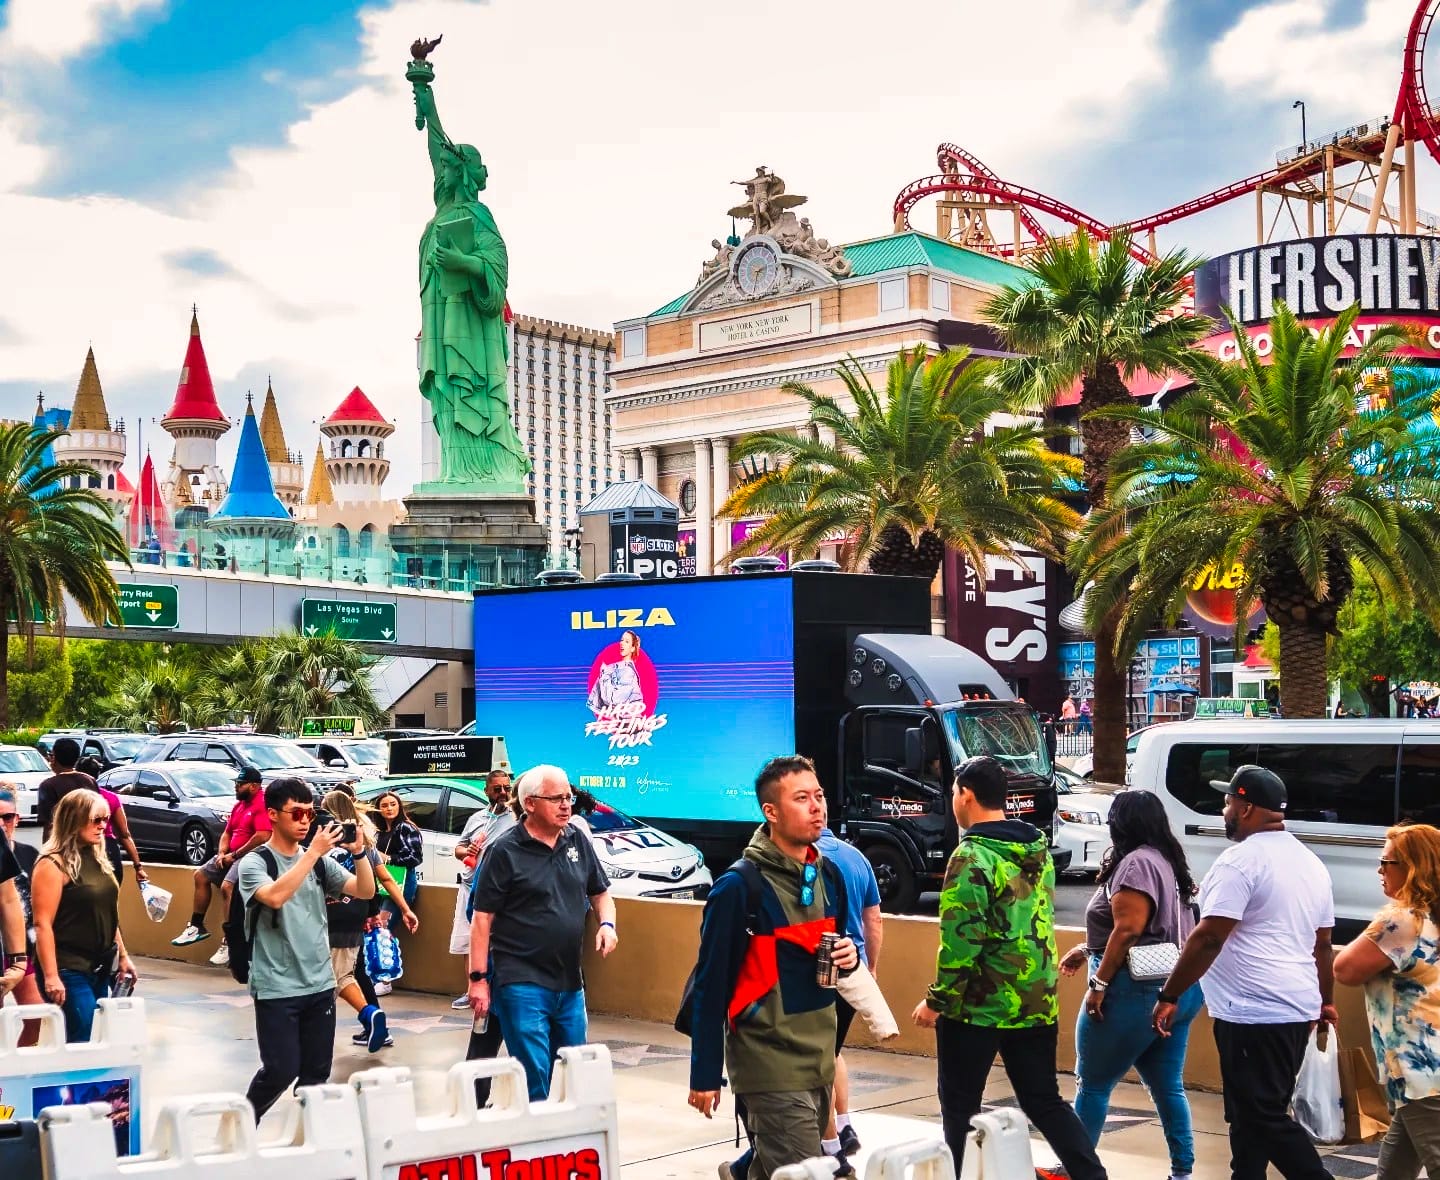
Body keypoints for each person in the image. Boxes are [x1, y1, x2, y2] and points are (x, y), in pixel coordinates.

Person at [912, 756, 1106, 1180]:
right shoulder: (1037, 849)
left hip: (977, 1008)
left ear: (965, 794)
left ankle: (961, 1174)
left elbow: (963, 940)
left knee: (960, 1105)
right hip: (1035, 999)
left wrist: (936, 1001)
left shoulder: (972, 856)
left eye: (953, 794)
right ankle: (1091, 1174)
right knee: (1043, 1099)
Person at [1152, 765, 1334, 1180]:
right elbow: (1321, 945)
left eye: (1228, 801)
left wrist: (1169, 994)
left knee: (1263, 1115)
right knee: (1248, 1116)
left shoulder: (1240, 862)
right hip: (1295, 1008)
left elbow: (1209, 937)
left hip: (1255, 1010)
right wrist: (1326, 1002)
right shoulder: (1309, 863)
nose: (1224, 809)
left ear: (1247, 806)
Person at [686, 755, 860, 1180]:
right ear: (771, 812)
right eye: (801, 798)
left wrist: (850, 957)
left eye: (819, 796)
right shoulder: (739, 887)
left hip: (819, 1060)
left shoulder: (829, 875)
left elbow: (837, 956)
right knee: (809, 1174)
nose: (817, 806)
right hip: (769, 1066)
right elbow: (710, 985)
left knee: (775, 1172)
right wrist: (705, 1074)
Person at [1059, 791, 1202, 1180]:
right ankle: (1182, 1172)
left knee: (1093, 1084)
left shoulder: (1136, 864)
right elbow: (1156, 930)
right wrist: (1085, 948)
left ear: (1121, 825)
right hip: (1177, 989)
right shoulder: (1168, 861)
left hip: (1134, 991)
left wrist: (1099, 982)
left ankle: (1077, 1170)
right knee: (1168, 1086)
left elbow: (1129, 929)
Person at [467, 764, 617, 1101]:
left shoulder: (576, 838)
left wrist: (607, 924)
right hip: (521, 982)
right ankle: (538, 1147)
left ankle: (566, 1145)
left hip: (569, 983)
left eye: (569, 797)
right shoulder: (504, 851)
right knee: (535, 1078)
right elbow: (481, 919)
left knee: (572, 1070)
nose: (567, 805)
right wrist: (477, 979)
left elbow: (600, 892)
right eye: (557, 799)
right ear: (531, 803)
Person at [239, 777, 376, 1121]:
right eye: (296, 813)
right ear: (272, 815)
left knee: (316, 1076)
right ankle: (240, 1127)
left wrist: (359, 852)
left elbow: (364, 890)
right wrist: (314, 851)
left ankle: (309, 1142)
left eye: (309, 813)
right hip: (277, 985)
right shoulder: (256, 863)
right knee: (280, 1070)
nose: (304, 821)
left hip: (319, 983)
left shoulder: (316, 863)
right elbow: (274, 896)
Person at [1334, 823, 1440, 1179]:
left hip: (1420, 1075)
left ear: (1413, 867)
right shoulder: (1432, 919)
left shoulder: (1402, 920)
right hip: (1424, 1071)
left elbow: (1345, 969)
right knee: (1394, 1171)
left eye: (1386, 862)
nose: (1379, 870)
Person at [32, 789, 138, 1042]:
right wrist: (51, 975)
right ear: (75, 820)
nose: (103, 826)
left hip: (100, 963)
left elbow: (107, 912)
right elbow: (42, 924)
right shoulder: (52, 864)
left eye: (105, 819)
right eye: (96, 820)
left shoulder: (96, 856)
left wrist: (122, 956)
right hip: (68, 965)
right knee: (83, 1035)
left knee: (101, 1036)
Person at [320, 790, 418, 1054]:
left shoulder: (323, 845)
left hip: (333, 917)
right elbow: (386, 879)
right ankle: (373, 1022)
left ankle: (367, 1018)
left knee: (336, 977)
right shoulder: (364, 844)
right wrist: (406, 909)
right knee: (358, 971)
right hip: (360, 915)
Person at [817, 824, 883, 1159]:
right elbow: (874, 919)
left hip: (821, 973)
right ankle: (844, 1125)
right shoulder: (856, 857)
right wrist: (870, 970)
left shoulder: (805, 858)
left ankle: (831, 1148)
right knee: (833, 1051)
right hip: (853, 970)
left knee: (819, 1061)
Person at [173, 767, 271, 963]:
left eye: (240, 784)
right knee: (200, 876)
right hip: (231, 855)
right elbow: (227, 832)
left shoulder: (261, 804)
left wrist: (234, 855)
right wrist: (221, 853)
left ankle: (229, 941)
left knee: (228, 887)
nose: (236, 786)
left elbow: (263, 835)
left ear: (253, 786)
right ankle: (196, 926)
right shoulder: (239, 806)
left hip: (249, 855)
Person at [450, 769, 514, 1009]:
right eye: (497, 789)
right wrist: (466, 852)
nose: (502, 793)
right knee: (469, 941)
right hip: (470, 887)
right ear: (486, 791)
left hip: (500, 891)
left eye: (506, 788)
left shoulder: (517, 818)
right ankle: (471, 991)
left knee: (497, 941)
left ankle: (497, 991)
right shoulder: (477, 818)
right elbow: (459, 847)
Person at [0, 787, 43, 1043]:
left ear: (17, 818)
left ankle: (17, 1066)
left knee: (36, 1012)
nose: (3, 823)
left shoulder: (30, 855)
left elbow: (9, 899)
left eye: (7, 817)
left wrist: (19, 959)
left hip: (20, 946)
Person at [371, 790, 423, 989]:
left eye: (393, 804)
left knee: (385, 929)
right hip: (382, 884)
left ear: (399, 806)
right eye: (384, 805)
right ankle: (379, 974)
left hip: (401, 883)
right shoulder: (380, 831)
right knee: (378, 928)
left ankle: (386, 978)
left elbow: (415, 858)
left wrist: (389, 859)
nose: (389, 808)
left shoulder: (406, 828)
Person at [37, 737, 94, 836]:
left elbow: (49, 824)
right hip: (88, 841)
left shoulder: (48, 785)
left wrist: (47, 850)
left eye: (51, 755)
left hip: (62, 844)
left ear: (54, 758)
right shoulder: (90, 781)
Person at [585, 630, 644, 714]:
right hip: (619, 718)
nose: (622, 643)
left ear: (632, 648)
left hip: (628, 720)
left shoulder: (628, 671)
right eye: (622, 640)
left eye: (627, 642)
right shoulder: (616, 667)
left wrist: (605, 675)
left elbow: (613, 700)